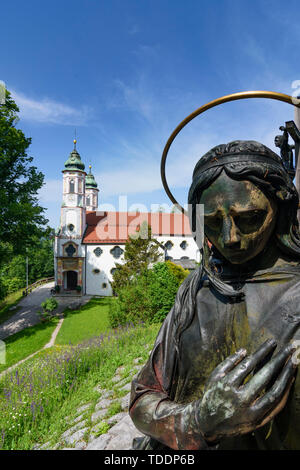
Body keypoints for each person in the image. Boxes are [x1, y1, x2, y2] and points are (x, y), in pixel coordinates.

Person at [129, 140, 300, 450]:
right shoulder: (195, 290)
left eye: (249, 219)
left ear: (281, 207)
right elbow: (143, 398)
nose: (229, 239)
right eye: (211, 223)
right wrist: (196, 421)